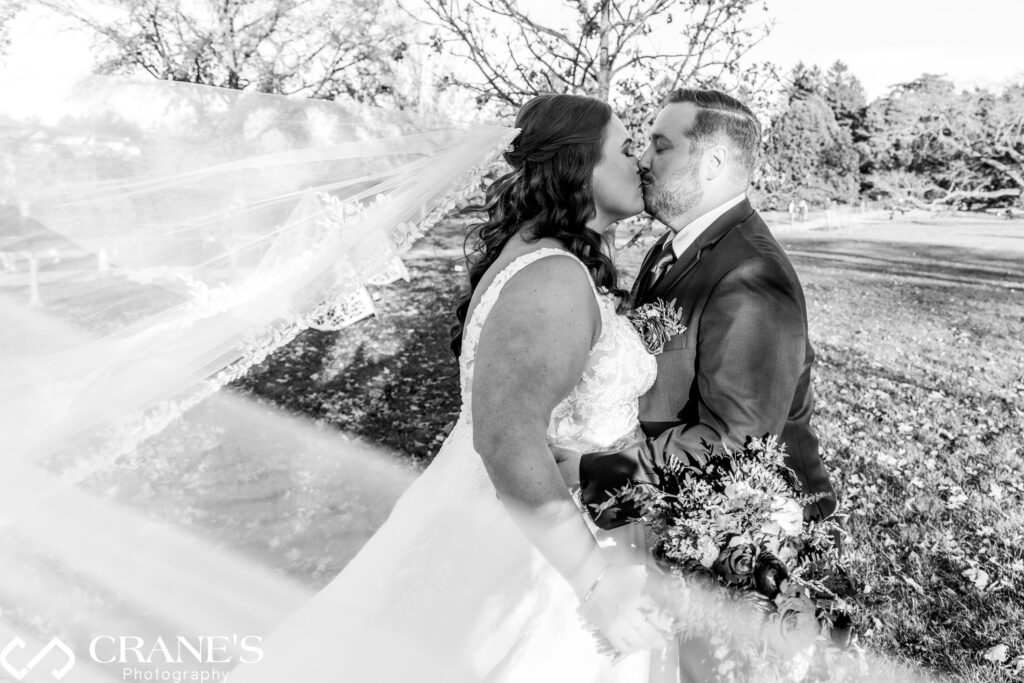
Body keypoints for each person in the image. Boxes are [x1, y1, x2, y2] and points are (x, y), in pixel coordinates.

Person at [225, 94, 675, 683]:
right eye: (624, 147)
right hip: (531, 558)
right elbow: (509, 442)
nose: (640, 160)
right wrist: (594, 583)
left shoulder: (541, 258)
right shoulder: (553, 276)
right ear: (578, 164)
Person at [559, 89, 838, 681]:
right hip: (678, 516)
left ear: (711, 164)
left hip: (747, 540)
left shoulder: (751, 273)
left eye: (660, 145)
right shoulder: (673, 244)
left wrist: (592, 466)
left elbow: (737, 441)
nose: (643, 159)